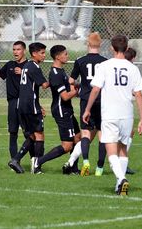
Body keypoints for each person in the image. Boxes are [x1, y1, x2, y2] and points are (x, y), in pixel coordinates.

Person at [83, 35, 142, 195]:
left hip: (110, 114)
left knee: (111, 149)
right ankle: (120, 183)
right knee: (123, 149)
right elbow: (138, 94)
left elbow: (95, 89)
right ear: (126, 48)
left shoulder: (104, 66)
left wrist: (87, 109)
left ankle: (121, 178)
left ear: (111, 48)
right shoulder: (133, 68)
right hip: (127, 114)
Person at [95, 47, 142, 175]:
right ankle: (113, 168)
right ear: (132, 57)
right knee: (109, 140)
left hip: (109, 109)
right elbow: (130, 91)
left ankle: (111, 168)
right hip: (116, 110)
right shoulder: (129, 67)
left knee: (105, 138)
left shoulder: (110, 65)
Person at [62, 32, 107, 176]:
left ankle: (86, 161)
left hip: (86, 99)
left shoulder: (80, 60)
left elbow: (70, 80)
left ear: (88, 44)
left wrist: (79, 85)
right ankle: (99, 168)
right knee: (102, 134)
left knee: (86, 133)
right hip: (101, 99)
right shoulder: (106, 61)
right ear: (100, 44)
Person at [32, 45, 81, 174]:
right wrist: (77, 91)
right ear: (58, 56)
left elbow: (69, 88)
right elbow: (64, 96)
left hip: (67, 110)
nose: (67, 56)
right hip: (61, 111)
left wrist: (77, 87)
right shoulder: (55, 74)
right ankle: (38, 161)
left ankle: (72, 168)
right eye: (65, 54)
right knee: (67, 146)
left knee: (77, 137)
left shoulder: (61, 71)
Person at [8, 42, 48, 174]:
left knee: (32, 136)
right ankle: (37, 167)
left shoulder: (26, 66)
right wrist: (59, 79)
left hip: (23, 106)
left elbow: (29, 89)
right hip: (30, 107)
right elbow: (44, 85)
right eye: (42, 53)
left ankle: (16, 160)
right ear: (34, 54)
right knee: (39, 135)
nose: (44, 55)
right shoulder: (34, 67)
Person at [0, 41, 28, 158]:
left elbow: (38, 83)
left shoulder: (29, 66)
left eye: (18, 49)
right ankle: (14, 161)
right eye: (14, 50)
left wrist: (24, 73)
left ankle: (34, 160)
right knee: (13, 133)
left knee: (29, 134)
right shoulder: (10, 65)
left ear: (24, 51)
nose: (15, 52)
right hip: (12, 103)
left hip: (25, 103)